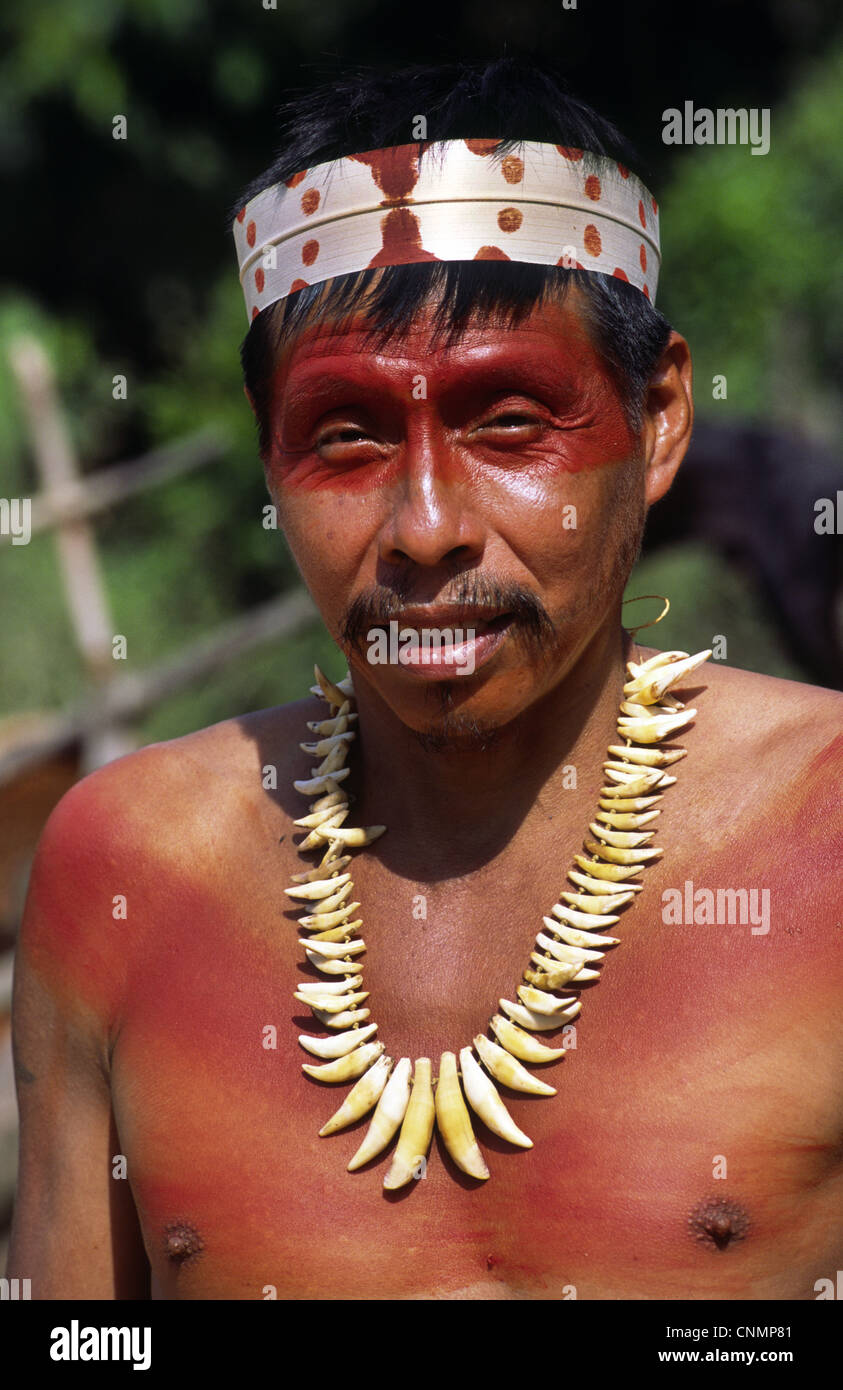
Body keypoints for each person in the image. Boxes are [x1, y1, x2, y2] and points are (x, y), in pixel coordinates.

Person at [7, 58, 842, 1301]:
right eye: (343, 434)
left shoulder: (823, 832)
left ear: (660, 417)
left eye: (510, 420)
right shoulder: (124, 871)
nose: (426, 526)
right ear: (269, 459)